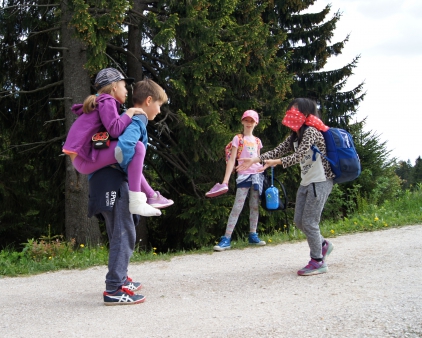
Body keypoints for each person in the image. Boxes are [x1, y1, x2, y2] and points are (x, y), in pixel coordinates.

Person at [237, 98, 335, 276]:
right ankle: (322, 245)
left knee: (310, 222)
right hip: (306, 182)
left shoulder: (312, 131)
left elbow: (299, 156)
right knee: (299, 220)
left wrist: (277, 162)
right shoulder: (295, 135)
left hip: (320, 181)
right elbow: (279, 150)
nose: (290, 112)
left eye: (295, 109)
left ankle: (318, 261)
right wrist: (256, 159)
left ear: (305, 114)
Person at [62, 68, 173, 217]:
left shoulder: (104, 102)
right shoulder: (107, 100)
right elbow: (115, 130)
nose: (127, 91)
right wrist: (130, 112)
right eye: (124, 86)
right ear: (114, 87)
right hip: (83, 160)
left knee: (132, 157)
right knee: (137, 148)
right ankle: (138, 202)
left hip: (82, 159)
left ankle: (151, 196)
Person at [206, 110, 266, 251]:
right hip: (243, 175)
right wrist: (225, 181)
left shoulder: (258, 141)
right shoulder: (237, 139)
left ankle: (253, 235)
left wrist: (262, 169)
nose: (249, 123)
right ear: (242, 121)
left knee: (254, 206)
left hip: (256, 175)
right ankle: (226, 238)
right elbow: (232, 160)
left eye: (252, 121)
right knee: (237, 207)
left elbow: (258, 158)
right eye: (247, 120)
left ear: (256, 123)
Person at [88, 165, 146, 305]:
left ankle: (121, 279)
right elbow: (125, 153)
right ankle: (114, 289)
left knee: (117, 232)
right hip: (114, 182)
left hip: (105, 180)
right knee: (123, 235)